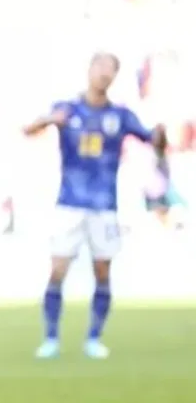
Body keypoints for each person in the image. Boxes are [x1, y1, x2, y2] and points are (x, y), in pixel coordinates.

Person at [23, 52, 166, 360]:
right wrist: (49, 120)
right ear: (89, 70)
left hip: (104, 205)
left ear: (115, 77)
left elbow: (153, 141)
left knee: (102, 271)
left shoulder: (121, 115)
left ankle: (93, 338)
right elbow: (28, 130)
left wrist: (161, 133)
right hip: (70, 203)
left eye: (110, 70)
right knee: (57, 269)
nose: (104, 74)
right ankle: (50, 338)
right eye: (100, 67)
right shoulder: (67, 109)